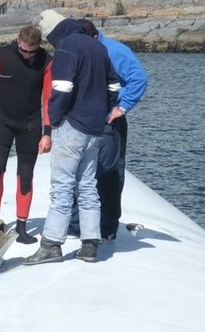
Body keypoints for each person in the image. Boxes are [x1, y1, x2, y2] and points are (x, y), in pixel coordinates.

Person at [23, 10, 120, 265]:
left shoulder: (67, 47)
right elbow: (114, 86)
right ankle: (90, 245)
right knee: (88, 186)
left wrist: (54, 119)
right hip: (95, 128)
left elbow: (62, 88)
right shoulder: (97, 47)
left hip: (72, 126)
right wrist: (103, 110)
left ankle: (51, 244)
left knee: (62, 186)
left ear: (56, 31)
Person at [68, 18, 148, 242]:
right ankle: (76, 224)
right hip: (83, 119)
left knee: (109, 172)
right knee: (79, 170)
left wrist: (121, 107)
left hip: (109, 121)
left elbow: (139, 78)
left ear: (93, 38)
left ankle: (108, 226)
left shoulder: (115, 51)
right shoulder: (78, 49)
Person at [0, 25, 53, 244]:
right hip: (2, 122)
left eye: (32, 52)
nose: (28, 56)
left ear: (39, 46)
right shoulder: (1, 56)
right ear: (18, 41)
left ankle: (22, 226)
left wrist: (48, 133)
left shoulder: (46, 61)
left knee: (25, 176)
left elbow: (48, 99)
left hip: (30, 124)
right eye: (24, 50)